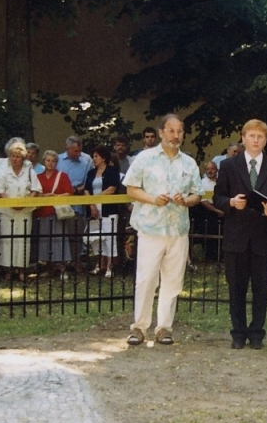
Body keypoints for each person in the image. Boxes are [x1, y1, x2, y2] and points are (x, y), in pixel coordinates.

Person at [123, 114, 203, 346]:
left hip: (177, 230)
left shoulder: (188, 163)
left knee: (173, 281)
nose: (175, 136)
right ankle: (139, 327)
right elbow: (131, 188)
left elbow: (198, 194)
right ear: (160, 132)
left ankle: (164, 328)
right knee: (146, 279)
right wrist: (152, 198)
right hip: (150, 229)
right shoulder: (144, 158)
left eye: (179, 131)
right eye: (171, 130)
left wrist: (185, 201)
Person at [213, 119, 267, 350]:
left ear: (266, 140)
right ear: (243, 138)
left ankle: (257, 333)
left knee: (261, 287)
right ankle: (238, 333)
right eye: (252, 136)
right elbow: (218, 197)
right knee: (236, 288)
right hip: (236, 236)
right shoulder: (228, 165)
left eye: (261, 137)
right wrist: (230, 203)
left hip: (262, 236)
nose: (256, 141)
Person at [0, 141, 40, 282]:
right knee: (7, 241)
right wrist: (12, 204)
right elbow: (0, 191)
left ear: (23, 158)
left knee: (23, 240)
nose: (15, 159)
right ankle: (8, 270)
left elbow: (36, 189)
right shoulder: (3, 171)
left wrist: (25, 203)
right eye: (12, 156)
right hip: (7, 211)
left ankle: (21, 271)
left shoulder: (30, 171)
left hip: (25, 211)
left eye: (18, 157)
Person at [32, 149, 74, 278]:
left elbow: (70, 192)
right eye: (48, 160)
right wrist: (43, 196)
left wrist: (56, 196)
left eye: (53, 161)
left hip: (56, 212)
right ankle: (48, 267)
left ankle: (61, 268)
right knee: (45, 240)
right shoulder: (38, 177)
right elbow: (35, 193)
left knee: (59, 240)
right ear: (44, 161)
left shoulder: (62, 175)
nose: (50, 163)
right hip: (43, 212)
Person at [84, 145, 123, 277]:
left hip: (108, 208)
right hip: (93, 208)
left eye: (96, 156)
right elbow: (86, 190)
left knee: (109, 237)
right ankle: (99, 264)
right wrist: (92, 204)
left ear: (103, 158)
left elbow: (112, 189)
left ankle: (110, 266)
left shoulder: (112, 171)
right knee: (96, 237)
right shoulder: (91, 173)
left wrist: (97, 198)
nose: (94, 159)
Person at [58, 135, 93, 273]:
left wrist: (76, 190)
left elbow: (87, 182)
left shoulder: (85, 161)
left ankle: (76, 261)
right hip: (60, 203)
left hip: (77, 203)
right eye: (74, 151)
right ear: (67, 148)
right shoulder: (58, 160)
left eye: (79, 150)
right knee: (59, 234)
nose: (77, 154)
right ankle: (60, 263)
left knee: (77, 235)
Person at [192, 160, 224, 262]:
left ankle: (222, 256)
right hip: (209, 212)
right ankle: (211, 258)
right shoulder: (203, 183)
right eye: (208, 169)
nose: (210, 171)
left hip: (223, 211)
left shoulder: (222, 181)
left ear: (217, 170)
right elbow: (204, 201)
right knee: (210, 235)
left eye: (212, 169)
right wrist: (216, 210)